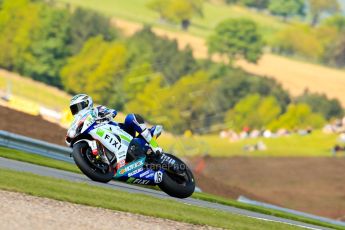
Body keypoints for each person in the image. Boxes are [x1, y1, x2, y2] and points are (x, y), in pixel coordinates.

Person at [67, 94, 163, 155]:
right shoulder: (78, 121)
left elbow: (113, 112)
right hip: (102, 140)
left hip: (121, 132)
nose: (77, 110)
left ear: (87, 103)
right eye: (74, 109)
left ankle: (154, 145)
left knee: (130, 118)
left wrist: (106, 116)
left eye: (78, 107)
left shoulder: (96, 110)